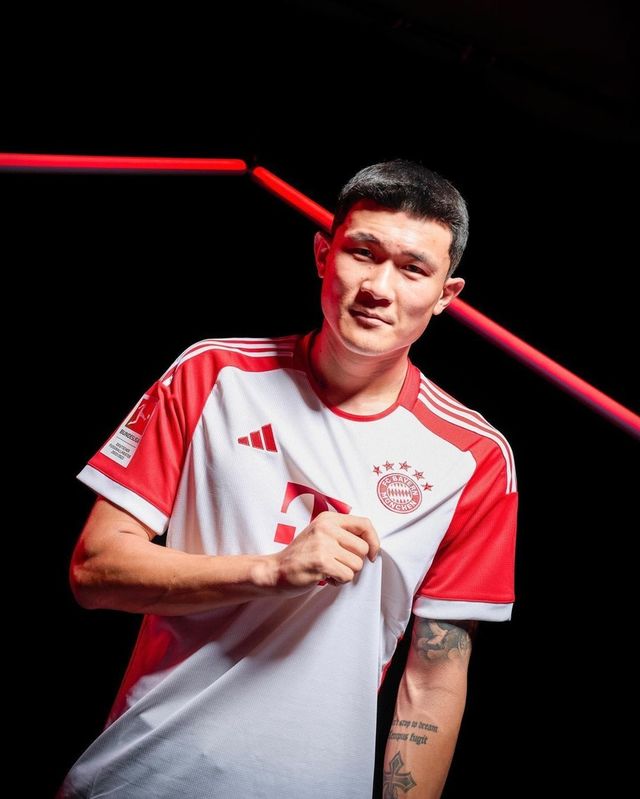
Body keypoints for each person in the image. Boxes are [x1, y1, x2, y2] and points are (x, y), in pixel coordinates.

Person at [59, 159, 518, 799]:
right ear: (324, 254)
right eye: (362, 253)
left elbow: (433, 681)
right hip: (139, 777)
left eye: (413, 269)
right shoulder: (210, 374)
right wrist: (271, 571)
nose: (378, 287)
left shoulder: (474, 456)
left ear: (446, 294)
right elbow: (94, 572)